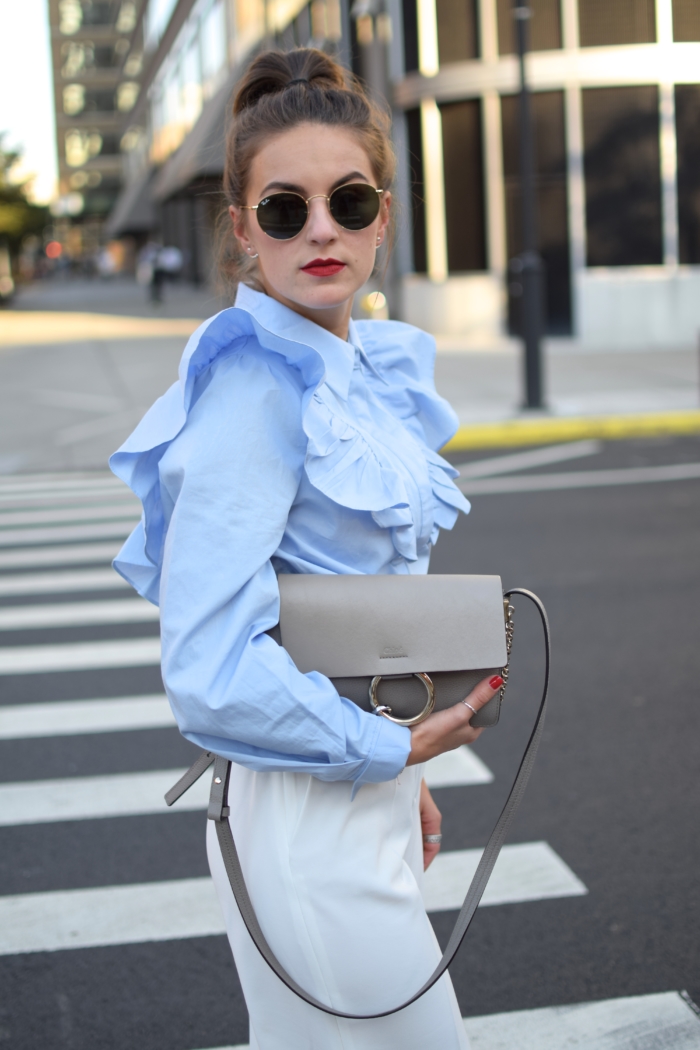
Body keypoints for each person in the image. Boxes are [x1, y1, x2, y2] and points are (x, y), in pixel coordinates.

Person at [110, 47, 503, 1050]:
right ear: (241, 231)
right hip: (299, 814)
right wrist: (388, 749)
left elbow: (373, 610)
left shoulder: (359, 370)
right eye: (285, 208)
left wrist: (401, 779)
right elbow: (210, 671)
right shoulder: (254, 391)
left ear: (382, 214)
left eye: (349, 200)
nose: (321, 227)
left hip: (357, 798)